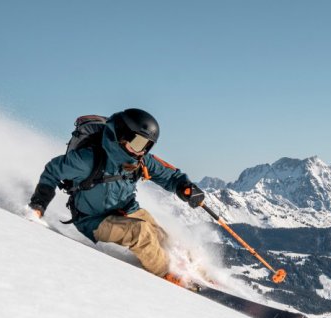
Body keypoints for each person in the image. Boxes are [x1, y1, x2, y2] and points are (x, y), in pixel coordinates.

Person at [28, 108, 205, 286]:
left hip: (126, 209)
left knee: (166, 239)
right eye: (139, 143)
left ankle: (201, 273)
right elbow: (53, 170)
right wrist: (39, 204)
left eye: (147, 145)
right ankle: (170, 274)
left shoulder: (139, 160)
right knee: (140, 233)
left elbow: (169, 175)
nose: (142, 151)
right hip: (93, 219)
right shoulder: (87, 160)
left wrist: (185, 187)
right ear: (121, 136)